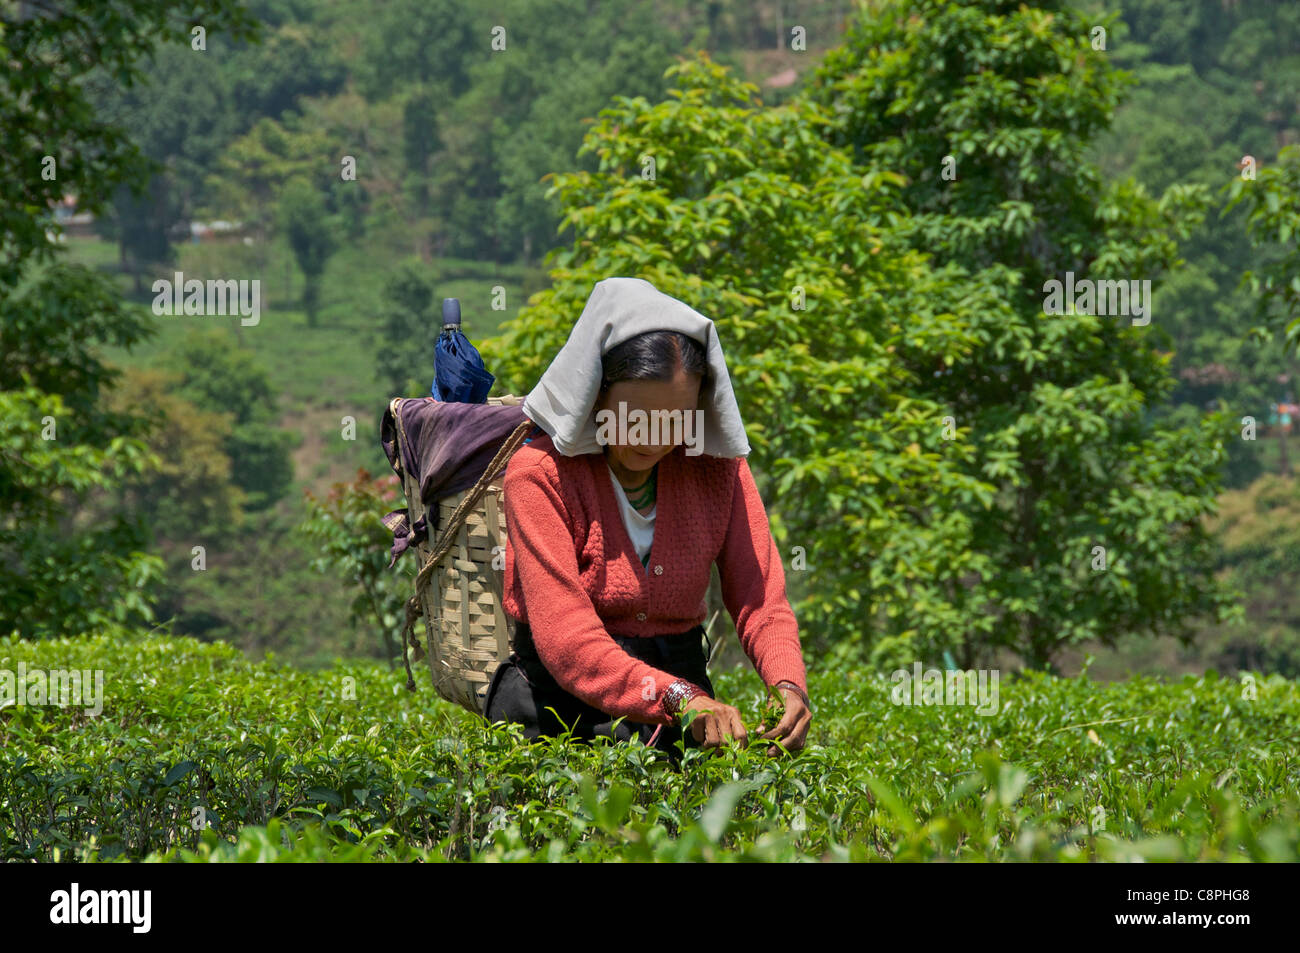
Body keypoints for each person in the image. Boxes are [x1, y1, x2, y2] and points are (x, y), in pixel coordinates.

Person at [482, 276, 811, 762]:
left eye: (676, 417)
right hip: (557, 716)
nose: (655, 436)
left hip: (682, 716)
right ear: (597, 393)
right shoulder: (540, 475)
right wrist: (678, 698)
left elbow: (760, 595)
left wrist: (788, 682)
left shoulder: (716, 469)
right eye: (635, 413)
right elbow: (567, 639)